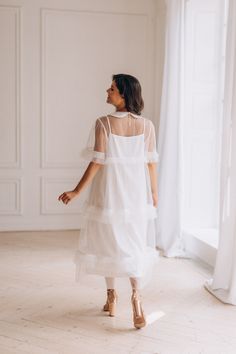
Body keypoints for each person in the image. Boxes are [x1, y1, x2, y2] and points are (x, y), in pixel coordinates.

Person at [58, 74, 159, 329]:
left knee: (108, 243)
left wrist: (77, 191)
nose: (107, 90)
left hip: (110, 194)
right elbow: (151, 164)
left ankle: (112, 297)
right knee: (134, 243)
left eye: (112, 88)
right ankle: (136, 296)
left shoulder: (103, 123)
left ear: (124, 94)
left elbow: (97, 161)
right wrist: (154, 195)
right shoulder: (147, 126)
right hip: (136, 195)